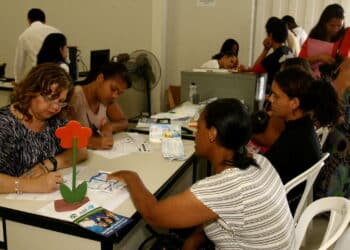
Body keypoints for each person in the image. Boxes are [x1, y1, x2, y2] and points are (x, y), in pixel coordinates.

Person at [108, 99, 296, 249]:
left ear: (213, 133)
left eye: (199, 127)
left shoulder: (225, 187)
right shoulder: (259, 161)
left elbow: (153, 214)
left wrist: (131, 177)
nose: (196, 133)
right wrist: (194, 239)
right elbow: (218, 211)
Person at [0, 63, 88, 194]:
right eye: (50, 98)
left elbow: (80, 150)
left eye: (60, 101)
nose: (55, 107)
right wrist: (31, 185)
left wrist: (48, 164)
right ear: (31, 91)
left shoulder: (56, 119)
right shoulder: (5, 124)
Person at [265, 68, 341, 212]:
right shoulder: (302, 129)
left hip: (278, 211)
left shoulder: (295, 139)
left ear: (294, 103)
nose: (270, 99)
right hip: (285, 204)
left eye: (276, 96)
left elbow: (265, 171)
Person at [69, 62, 131, 150]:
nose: (115, 96)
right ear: (100, 78)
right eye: (113, 89)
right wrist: (90, 142)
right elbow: (63, 135)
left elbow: (124, 122)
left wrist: (110, 126)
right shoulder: (75, 97)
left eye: (119, 93)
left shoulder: (107, 99)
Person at [14, 8, 60, 83]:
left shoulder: (24, 36)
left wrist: (18, 81)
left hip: (40, 76)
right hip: (59, 75)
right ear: (44, 20)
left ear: (29, 20)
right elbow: (66, 57)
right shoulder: (56, 31)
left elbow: (19, 64)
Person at [299, 4, 345, 77]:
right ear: (324, 23)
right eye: (332, 25)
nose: (336, 29)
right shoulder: (314, 36)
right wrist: (319, 57)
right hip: (309, 76)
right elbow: (300, 61)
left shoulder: (343, 36)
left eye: (339, 26)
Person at [250, 17, 293, 91]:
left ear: (270, 35)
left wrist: (265, 49)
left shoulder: (273, 58)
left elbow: (254, 71)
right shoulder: (289, 51)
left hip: (275, 94)